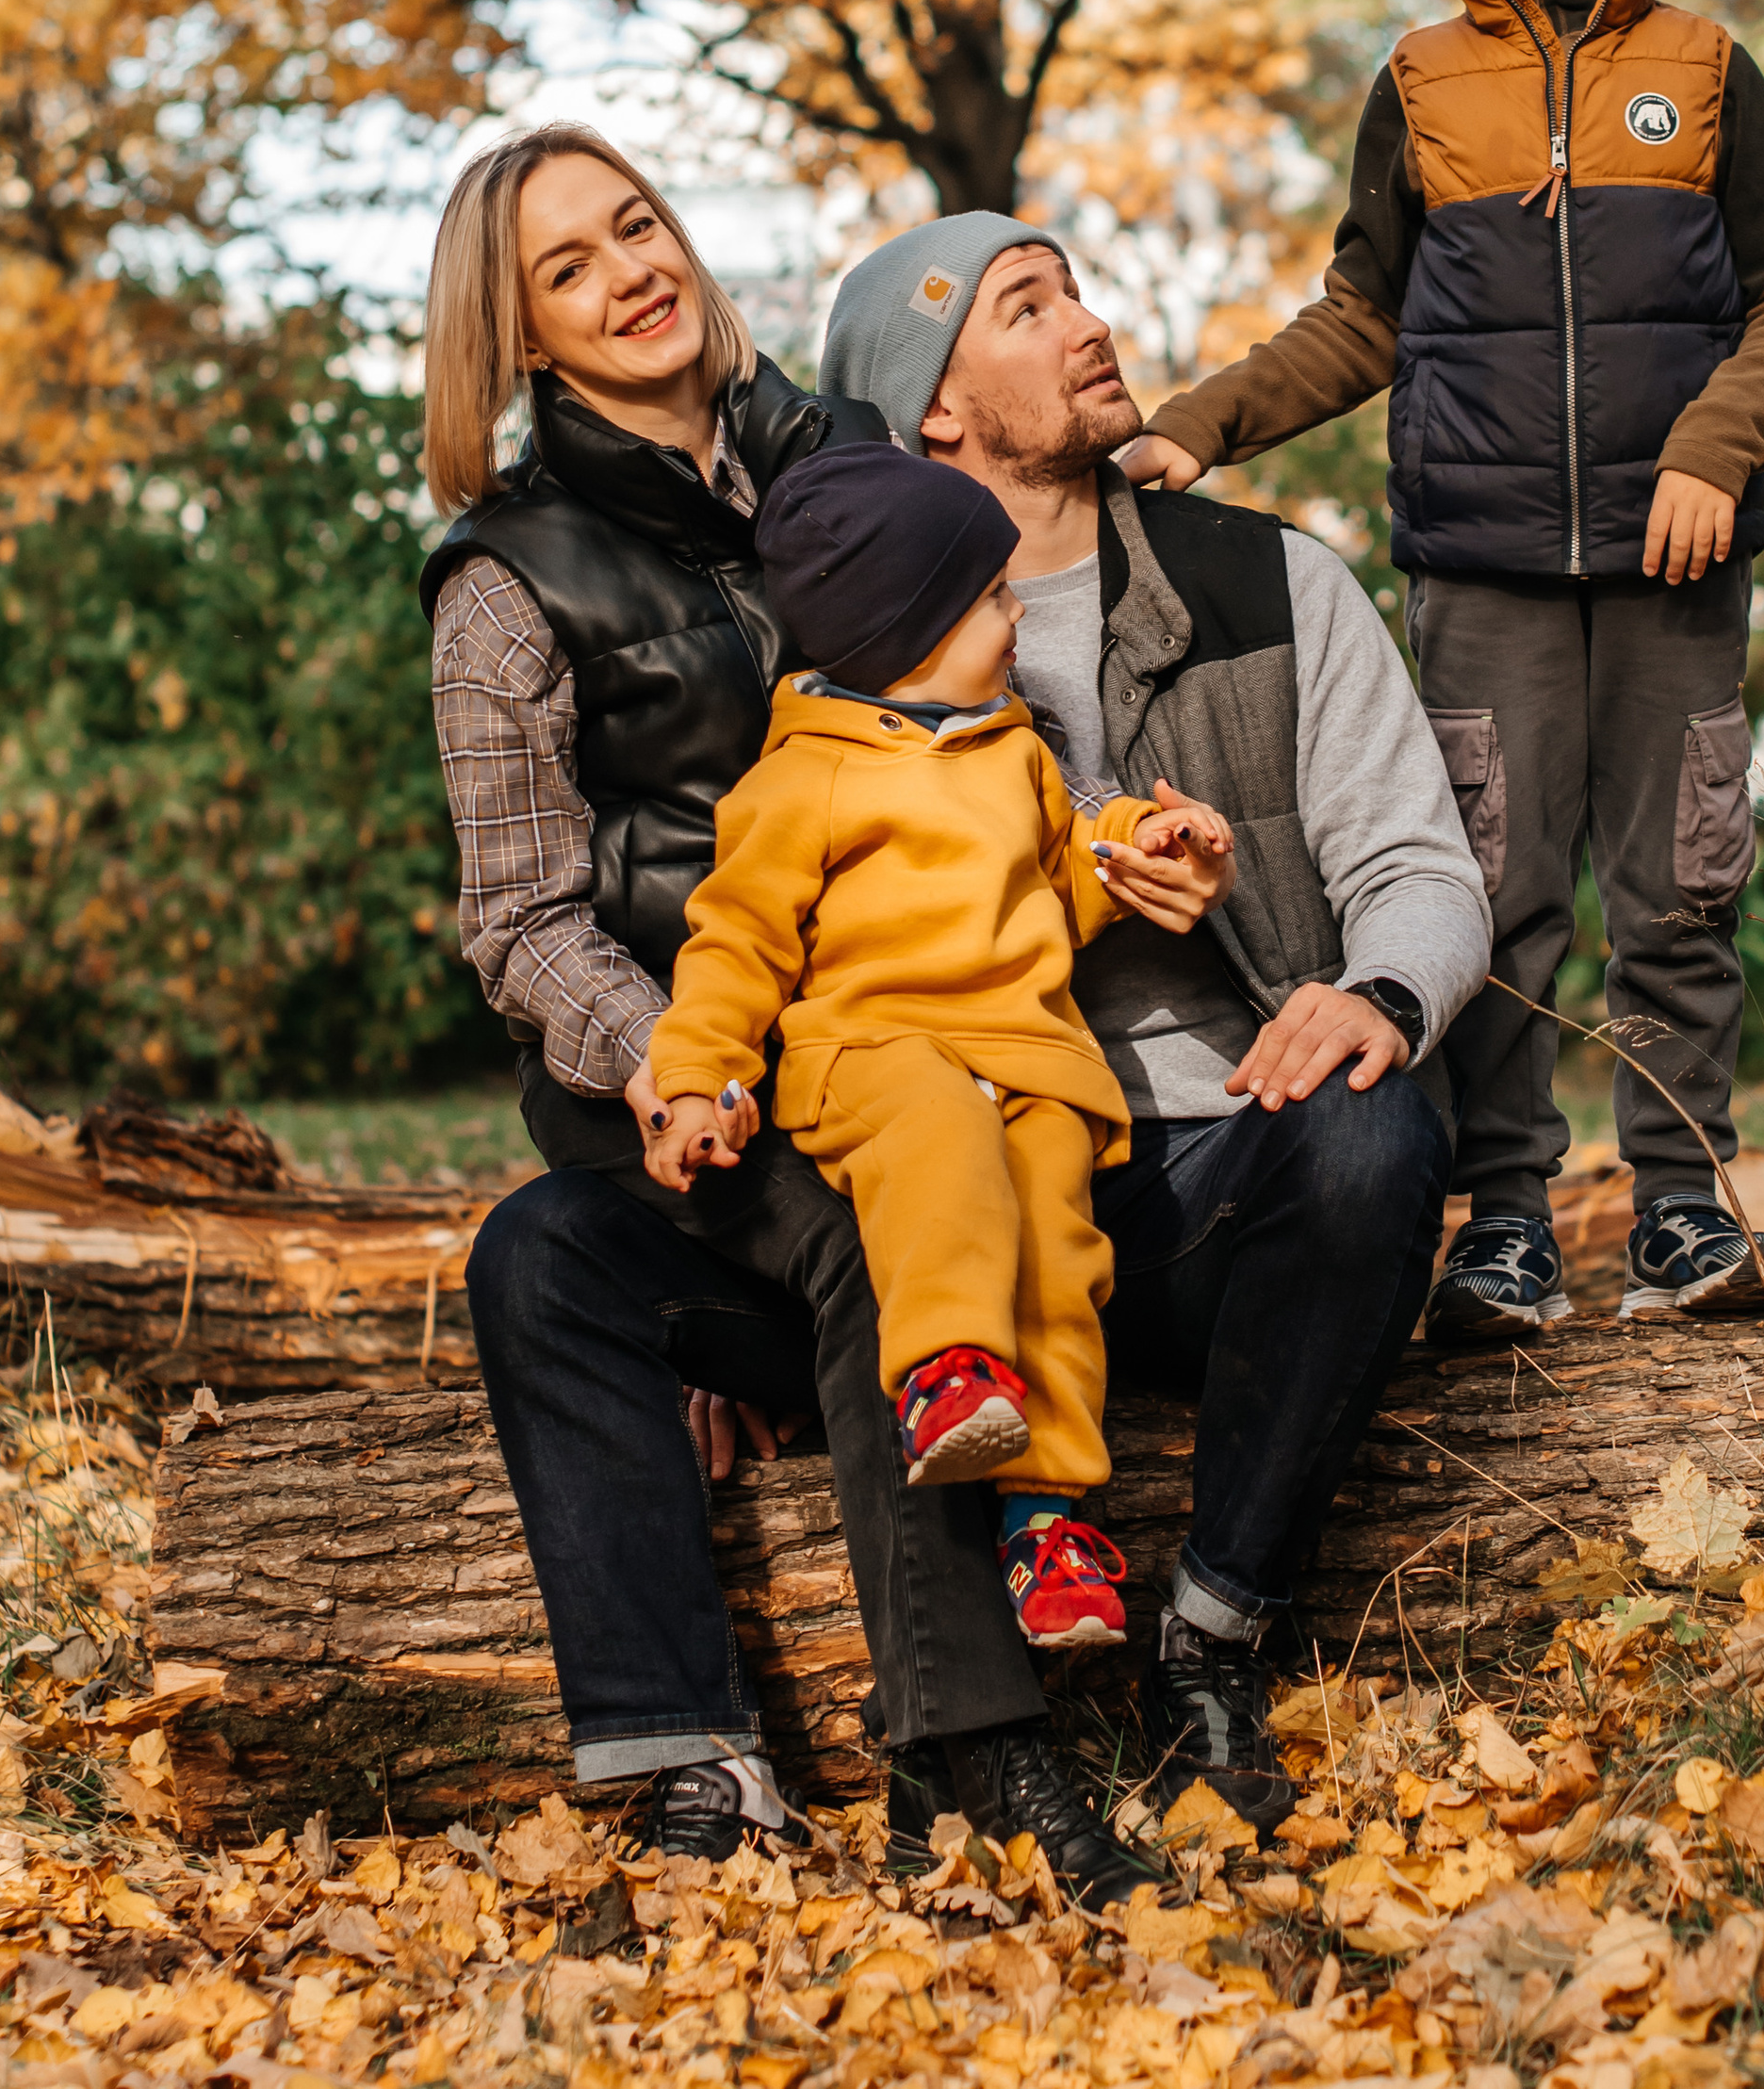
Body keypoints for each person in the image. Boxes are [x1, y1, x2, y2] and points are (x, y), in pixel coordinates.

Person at [419, 124, 1178, 1897]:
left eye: (638, 221)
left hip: (938, 1012)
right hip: (699, 1059)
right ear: (520, 333)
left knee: (830, 1213)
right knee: (548, 1257)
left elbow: (1008, 640)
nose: (631, 269)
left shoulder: (848, 452)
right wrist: (689, 1066)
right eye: (570, 265)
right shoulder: (506, 575)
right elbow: (522, 918)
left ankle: (968, 1751)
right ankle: (689, 1749)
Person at [1123, 0, 1764, 1337]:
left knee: (1679, 887)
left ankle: (1679, 1204)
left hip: (1676, 566)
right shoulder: (1420, 80)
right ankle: (1506, 1215)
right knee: (1495, 889)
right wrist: (1198, 418)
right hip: (1482, 571)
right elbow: (1360, 314)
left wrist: (1713, 450)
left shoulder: (1710, 69)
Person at [818, 218, 1491, 1834]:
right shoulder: (851, 651)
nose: (1089, 323)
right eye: (1026, 307)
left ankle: (1213, 1632)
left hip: (1216, 1178)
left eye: (1077, 287)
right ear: (935, 415)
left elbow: (1419, 865)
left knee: (1372, 1118)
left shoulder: (1269, 583)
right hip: (986, 1213)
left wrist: (1375, 990)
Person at [641, 446, 1233, 1653]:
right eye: (993, 597)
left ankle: (1049, 1520)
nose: (1019, 616)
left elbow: (1064, 874)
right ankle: (946, 1372)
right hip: (876, 1049)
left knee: (1060, 1260)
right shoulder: (801, 778)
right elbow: (735, 940)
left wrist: (1142, 844)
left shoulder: (1013, 750)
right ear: (904, 626)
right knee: (940, 1151)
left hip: (1028, 1053)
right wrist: (696, 1076)